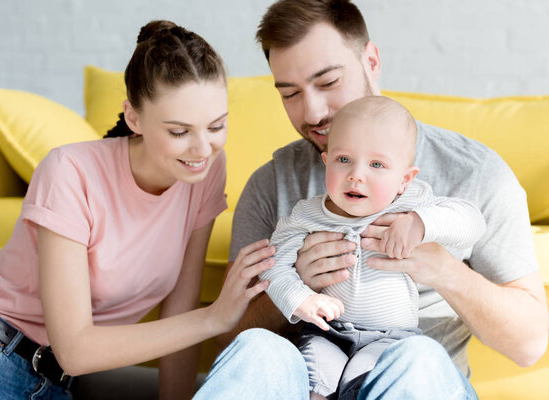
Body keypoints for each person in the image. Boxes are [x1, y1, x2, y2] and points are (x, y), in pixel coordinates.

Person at [0, 20, 305, 400]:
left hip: (54, 385)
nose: (202, 149)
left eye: (216, 126)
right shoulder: (69, 172)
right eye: (179, 132)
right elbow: (75, 350)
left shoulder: (206, 172)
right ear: (133, 117)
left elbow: (179, 315)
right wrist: (215, 316)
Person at [218, 0, 548, 398]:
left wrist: (445, 271)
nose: (313, 111)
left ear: (371, 61)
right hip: (312, 376)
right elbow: (229, 339)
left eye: (327, 83)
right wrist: (296, 286)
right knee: (258, 350)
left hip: (416, 377)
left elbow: (529, 345)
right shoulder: (272, 183)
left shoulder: (475, 173)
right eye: (290, 93)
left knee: (418, 356)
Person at [261, 96, 486, 399]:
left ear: (404, 180)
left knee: (368, 384)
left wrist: (421, 223)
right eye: (343, 160)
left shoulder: (411, 204)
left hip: (389, 339)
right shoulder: (307, 215)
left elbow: (472, 222)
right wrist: (300, 298)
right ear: (326, 161)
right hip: (328, 332)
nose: (357, 174)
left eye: (377, 164)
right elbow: (275, 267)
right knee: (314, 381)